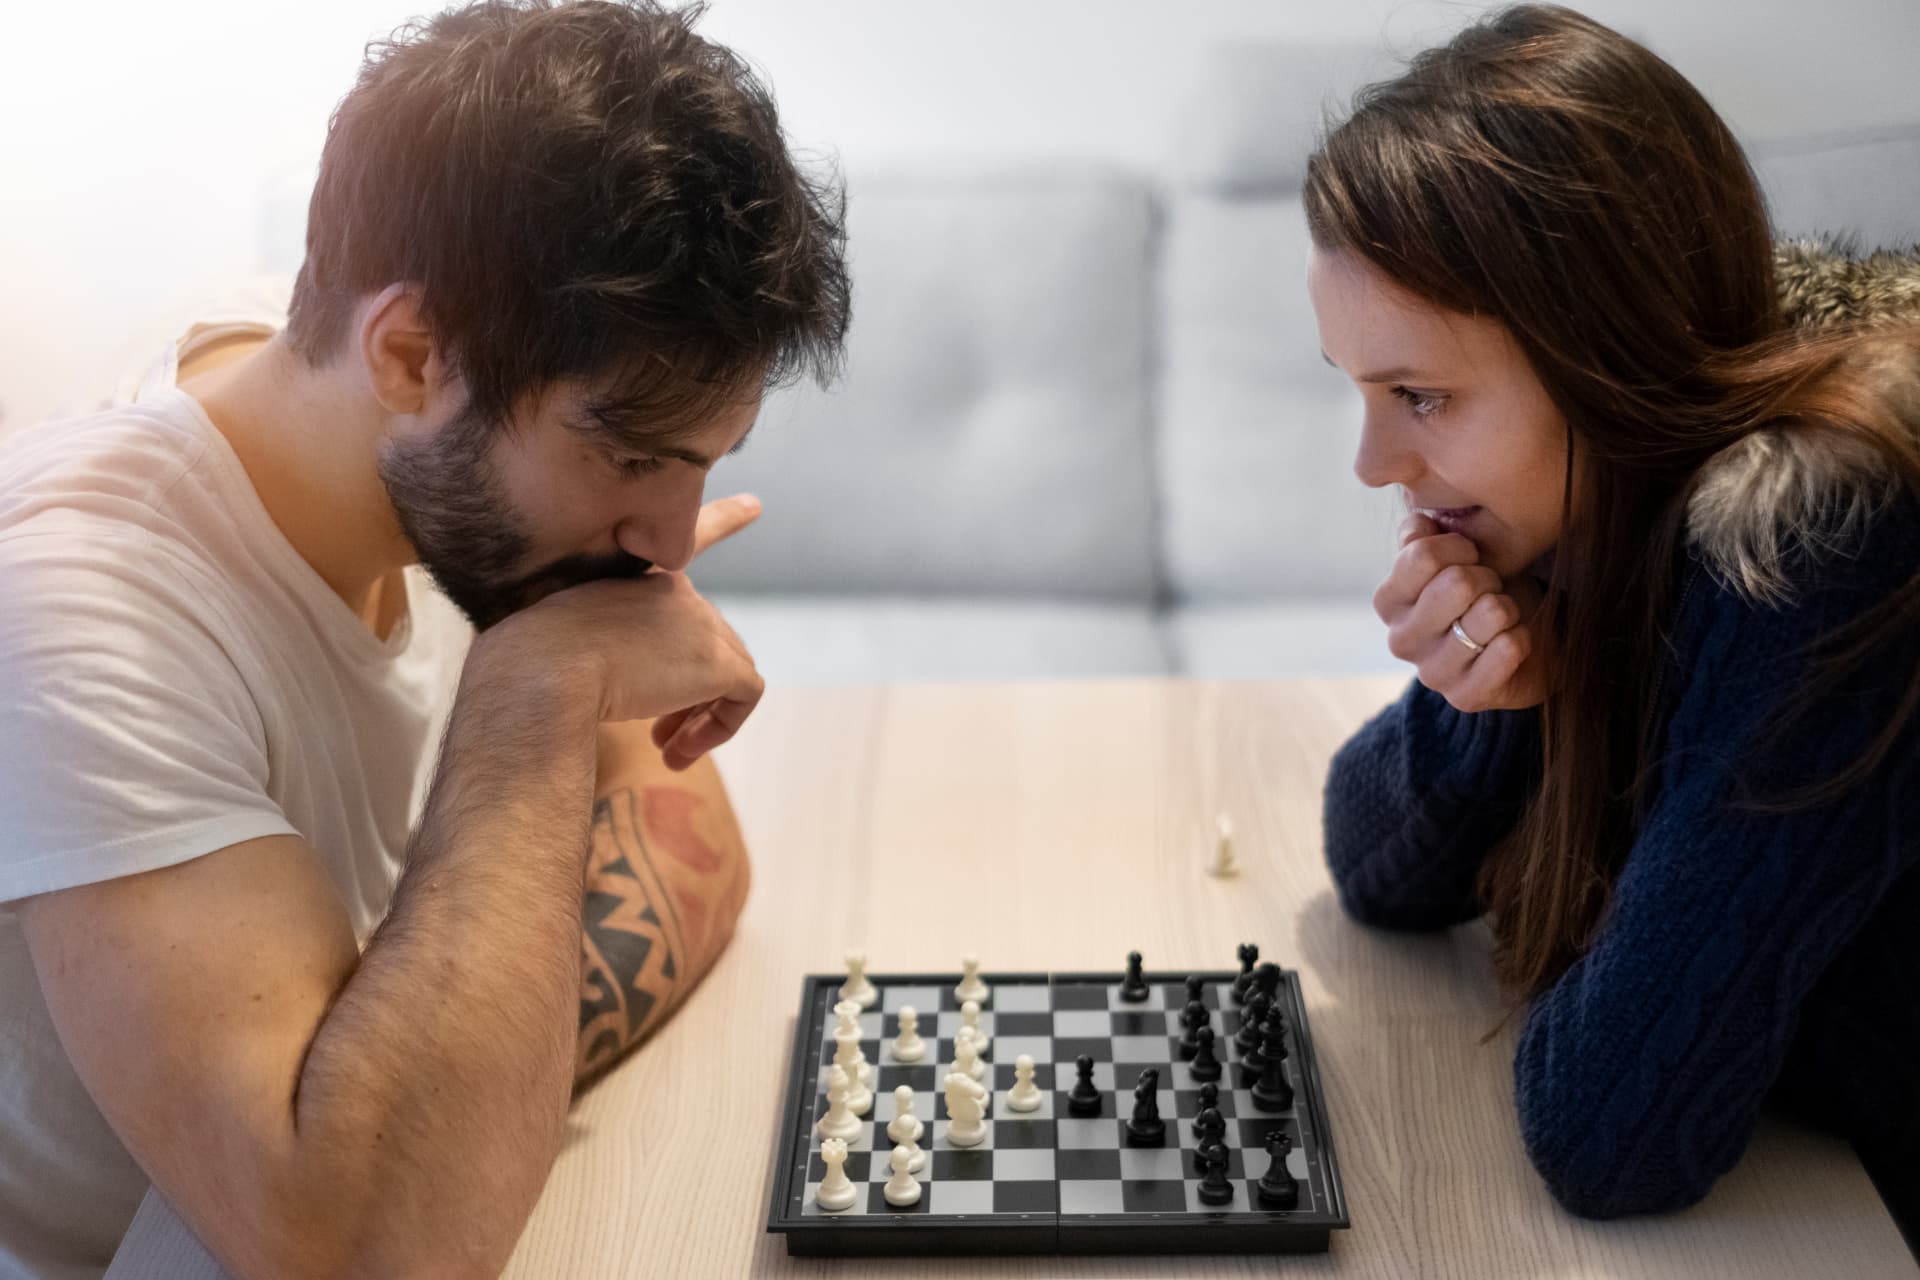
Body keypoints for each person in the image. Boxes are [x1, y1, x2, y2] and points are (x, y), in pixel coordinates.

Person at [0, 2, 849, 1275]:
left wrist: (451, 1095)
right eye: (627, 455)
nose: (667, 548)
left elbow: (697, 843)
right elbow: (368, 1246)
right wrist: (537, 691)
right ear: (408, 350)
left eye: (700, 468)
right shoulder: (90, 598)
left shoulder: (412, 451)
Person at [1310, 4, 1919, 1225]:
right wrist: (1505, 685)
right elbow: (1376, 872)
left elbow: (1613, 1137)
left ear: (1603, 357)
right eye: (1362, 392)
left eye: (1420, 395)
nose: (1374, 462)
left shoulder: (1820, 534)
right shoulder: (1595, 516)